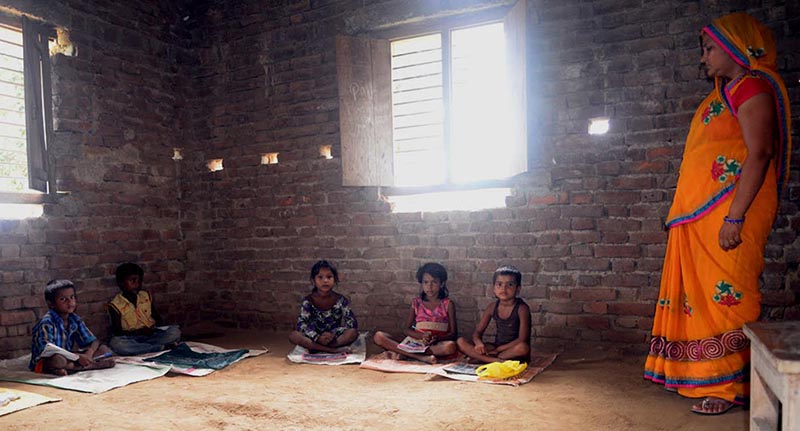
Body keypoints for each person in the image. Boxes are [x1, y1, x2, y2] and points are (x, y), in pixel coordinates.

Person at [644, 12, 792, 416]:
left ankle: (730, 387)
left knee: (729, 296)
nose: (704, 57)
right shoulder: (727, 92)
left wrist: (735, 217)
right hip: (703, 215)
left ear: (735, 47)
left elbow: (759, 153)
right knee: (703, 297)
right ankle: (706, 375)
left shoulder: (753, 87)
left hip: (729, 212)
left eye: (709, 48)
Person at [373, 262, 458, 364]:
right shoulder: (416, 303)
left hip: (436, 344)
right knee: (379, 336)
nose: (429, 287)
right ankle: (420, 357)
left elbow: (453, 333)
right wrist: (421, 336)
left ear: (441, 283)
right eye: (425, 282)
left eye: (434, 282)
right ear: (421, 284)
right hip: (416, 342)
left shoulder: (448, 304)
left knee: (450, 347)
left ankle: (406, 353)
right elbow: (406, 329)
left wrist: (437, 338)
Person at [29, 280, 115, 375]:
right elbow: (45, 349)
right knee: (58, 360)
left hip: (70, 356)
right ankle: (89, 366)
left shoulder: (74, 319)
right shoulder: (47, 322)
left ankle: (74, 367)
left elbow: (94, 341)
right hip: (48, 359)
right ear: (51, 304)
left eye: (72, 297)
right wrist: (77, 357)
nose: (70, 302)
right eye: (63, 299)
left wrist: (89, 354)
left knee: (104, 350)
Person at [457, 266, 531, 363]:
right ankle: (495, 360)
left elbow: (522, 339)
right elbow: (477, 332)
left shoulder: (522, 309)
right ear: (494, 288)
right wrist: (478, 343)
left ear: (518, 289)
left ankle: (487, 359)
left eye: (510, 285)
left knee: (523, 348)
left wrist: (498, 350)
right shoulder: (492, 307)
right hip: (497, 347)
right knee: (461, 342)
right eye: (499, 284)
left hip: (511, 350)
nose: (504, 288)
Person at [108, 263, 181, 355]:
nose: (137, 284)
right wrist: (138, 332)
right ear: (121, 283)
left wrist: (157, 328)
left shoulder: (145, 296)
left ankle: (144, 348)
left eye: (140, 280)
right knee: (117, 344)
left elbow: (156, 317)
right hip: (132, 338)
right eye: (132, 281)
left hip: (151, 335)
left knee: (175, 332)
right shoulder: (115, 305)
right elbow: (118, 332)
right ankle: (158, 348)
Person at [289, 260, 358, 353]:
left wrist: (332, 335)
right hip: (314, 336)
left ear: (335, 280)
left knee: (353, 333)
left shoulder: (340, 300)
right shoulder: (308, 301)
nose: (325, 281)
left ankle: (328, 347)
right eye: (320, 277)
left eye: (329, 277)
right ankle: (332, 350)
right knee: (294, 335)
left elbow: (352, 322)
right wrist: (317, 337)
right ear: (313, 281)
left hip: (334, 338)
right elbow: (301, 324)